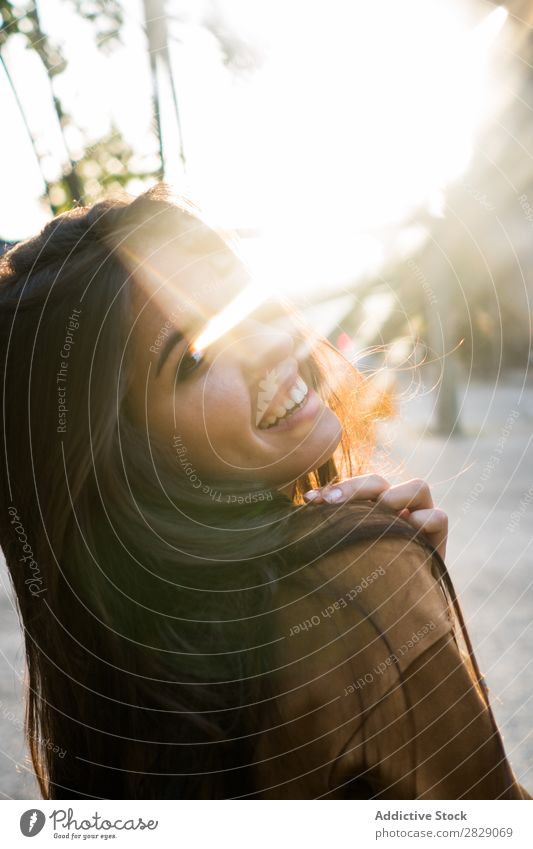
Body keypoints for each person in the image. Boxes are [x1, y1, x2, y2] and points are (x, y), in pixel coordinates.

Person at [0, 185, 528, 800]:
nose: (272, 344)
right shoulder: (358, 588)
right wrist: (394, 603)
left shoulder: (105, 684)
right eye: (192, 361)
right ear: (129, 460)